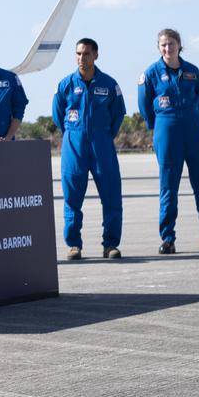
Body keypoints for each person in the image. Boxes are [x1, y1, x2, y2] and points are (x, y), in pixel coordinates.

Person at [138, 28, 199, 255]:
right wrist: (163, 125)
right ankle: (168, 238)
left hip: (193, 131)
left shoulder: (192, 71)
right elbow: (145, 107)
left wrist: (188, 117)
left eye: (171, 44)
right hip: (167, 131)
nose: (167, 48)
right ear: (159, 47)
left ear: (179, 45)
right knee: (168, 188)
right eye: (163, 45)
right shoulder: (151, 73)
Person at [53, 38, 126, 260]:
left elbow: (118, 114)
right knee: (72, 197)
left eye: (86, 54)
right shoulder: (65, 85)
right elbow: (58, 116)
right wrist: (74, 132)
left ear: (95, 55)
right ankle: (74, 245)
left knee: (111, 195)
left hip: (102, 144)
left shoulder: (109, 84)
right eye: (78, 54)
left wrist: (103, 134)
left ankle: (110, 244)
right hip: (74, 145)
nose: (81, 58)